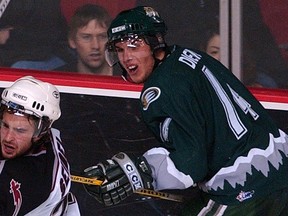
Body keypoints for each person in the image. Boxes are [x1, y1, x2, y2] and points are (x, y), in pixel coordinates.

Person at [82, 6, 288, 215]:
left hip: (246, 187)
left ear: (155, 42)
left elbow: (192, 165)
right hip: (280, 167)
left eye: (134, 46)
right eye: (119, 49)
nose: (126, 57)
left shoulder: (159, 90)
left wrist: (140, 170)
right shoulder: (187, 56)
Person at [0, 76, 80, 215]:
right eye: (5, 125)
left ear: (41, 131)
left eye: (20, 130)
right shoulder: (43, 140)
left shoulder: (31, 179)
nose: (8, 138)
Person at [0, 0, 71, 70]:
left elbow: (43, 40)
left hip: (49, 54)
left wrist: (10, 35)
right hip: (12, 52)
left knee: (20, 68)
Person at [55, 4, 121, 76]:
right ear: (72, 41)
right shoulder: (59, 78)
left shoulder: (129, 77)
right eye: (86, 37)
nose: (95, 46)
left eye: (102, 37)